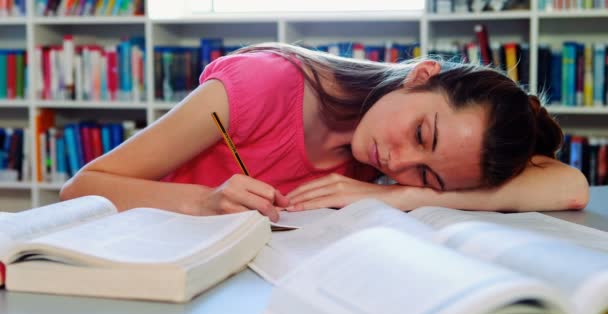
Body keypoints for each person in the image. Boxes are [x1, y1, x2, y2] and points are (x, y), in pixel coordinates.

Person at [60, 43, 589, 222]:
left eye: (428, 175)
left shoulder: (381, 171)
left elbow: (570, 187)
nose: (398, 162)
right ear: (421, 75)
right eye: (421, 134)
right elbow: (82, 187)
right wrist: (205, 202)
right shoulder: (264, 84)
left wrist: (400, 197)